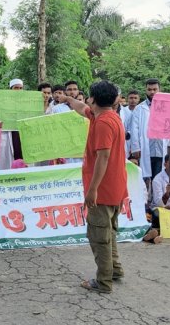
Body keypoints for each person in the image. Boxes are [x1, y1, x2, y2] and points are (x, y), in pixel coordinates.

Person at [63, 81, 127, 293]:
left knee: (99, 237)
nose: (86, 100)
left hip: (103, 190)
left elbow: (103, 157)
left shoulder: (102, 124)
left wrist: (92, 190)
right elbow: (82, 109)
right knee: (109, 232)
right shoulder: (108, 116)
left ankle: (103, 282)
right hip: (115, 188)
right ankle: (114, 270)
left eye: (87, 97)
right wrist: (67, 99)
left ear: (93, 99)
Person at [130, 79, 168, 183]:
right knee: (145, 177)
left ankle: (157, 198)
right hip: (146, 148)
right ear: (146, 90)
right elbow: (134, 129)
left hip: (161, 147)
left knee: (159, 177)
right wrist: (135, 147)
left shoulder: (167, 106)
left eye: (155, 89)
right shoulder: (140, 108)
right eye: (149, 89)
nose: (152, 92)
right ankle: (146, 198)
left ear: (159, 89)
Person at [0, 79, 26, 170]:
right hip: (9, 134)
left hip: (23, 134)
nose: (18, 90)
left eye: (20, 88)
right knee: (9, 161)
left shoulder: (28, 103)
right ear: (10, 89)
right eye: (16, 88)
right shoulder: (2, 103)